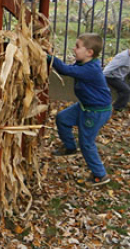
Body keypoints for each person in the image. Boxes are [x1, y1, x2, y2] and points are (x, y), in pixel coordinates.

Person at [48, 33, 112, 187]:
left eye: (77, 46)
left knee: (86, 143)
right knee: (62, 118)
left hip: (95, 111)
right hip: (84, 106)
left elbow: (65, 70)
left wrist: (48, 57)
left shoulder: (91, 69)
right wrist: (51, 55)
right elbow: (69, 68)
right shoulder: (83, 63)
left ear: (89, 52)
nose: (74, 49)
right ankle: (70, 147)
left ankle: (100, 175)